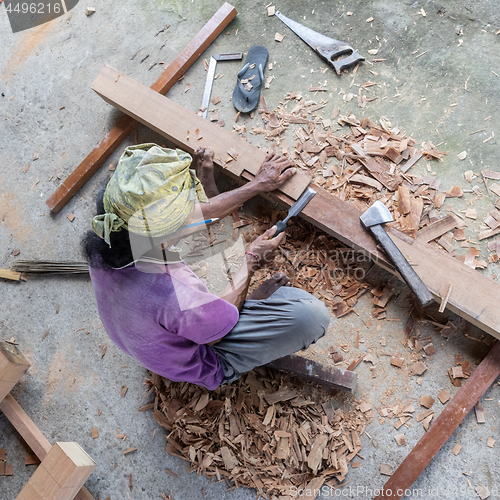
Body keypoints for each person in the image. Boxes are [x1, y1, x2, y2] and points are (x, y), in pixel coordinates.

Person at [83, 143, 330, 390]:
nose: (198, 213)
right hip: (201, 354)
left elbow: (201, 216)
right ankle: (239, 302)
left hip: (143, 334)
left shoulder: (112, 232)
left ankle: (227, 300)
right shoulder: (174, 291)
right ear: (163, 240)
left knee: (208, 243)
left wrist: (258, 184)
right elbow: (219, 335)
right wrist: (252, 260)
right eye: (188, 213)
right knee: (311, 316)